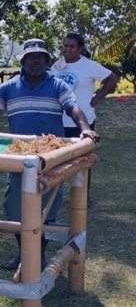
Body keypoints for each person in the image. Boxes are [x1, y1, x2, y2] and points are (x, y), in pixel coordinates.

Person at [0, 38, 100, 270]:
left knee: (46, 210)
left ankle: (39, 256)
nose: (35, 60)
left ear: (46, 60)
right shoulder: (9, 87)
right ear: (23, 60)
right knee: (15, 210)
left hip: (50, 158)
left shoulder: (58, 85)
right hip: (19, 160)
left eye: (40, 56)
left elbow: (73, 108)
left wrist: (85, 129)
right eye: (31, 56)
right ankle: (25, 254)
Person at [52, 31, 118, 206]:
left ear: (80, 49)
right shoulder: (58, 65)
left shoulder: (88, 66)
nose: (67, 49)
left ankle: (83, 197)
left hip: (82, 121)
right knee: (57, 160)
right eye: (65, 45)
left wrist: (97, 98)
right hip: (59, 120)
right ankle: (53, 197)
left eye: (72, 46)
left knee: (82, 160)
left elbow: (112, 78)